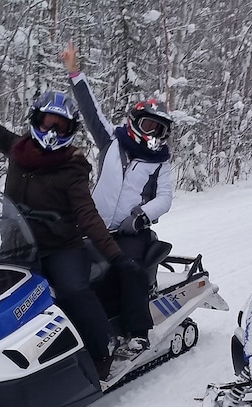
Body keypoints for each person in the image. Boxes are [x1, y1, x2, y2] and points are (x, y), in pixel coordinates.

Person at [0, 54, 140, 380]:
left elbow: (87, 215)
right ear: (36, 121)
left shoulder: (73, 167)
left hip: (61, 247)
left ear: (71, 130)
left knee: (72, 291)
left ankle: (105, 345)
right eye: (47, 122)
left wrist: (116, 256)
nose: (52, 131)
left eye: (60, 126)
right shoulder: (18, 149)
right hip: (17, 244)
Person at [61, 41, 175, 358]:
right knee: (68, 266)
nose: (154, 134)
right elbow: (89, 108)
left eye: (160, 129)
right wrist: (74, 71)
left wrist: (141, 215)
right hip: (94, 225)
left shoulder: (160, 161)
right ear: (135, 123)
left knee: (130, 269)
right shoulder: (112, 141)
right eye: (150, 126)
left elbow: (165, 198)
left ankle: (137, 333)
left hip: (131, 232)